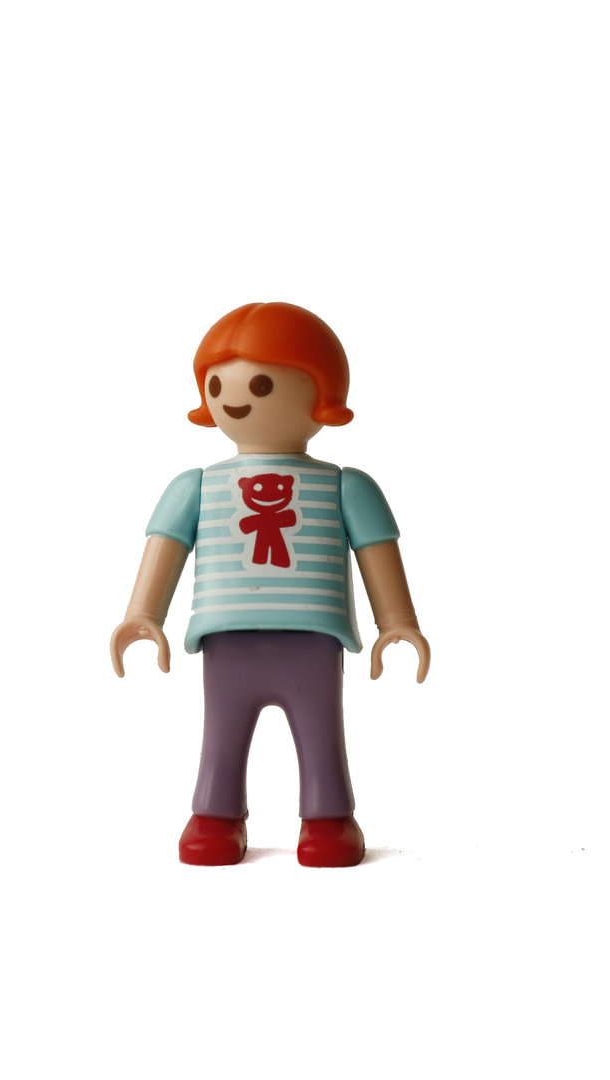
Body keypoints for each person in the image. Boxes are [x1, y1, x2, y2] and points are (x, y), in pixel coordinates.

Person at [111, 302, 429, 867]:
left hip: (313, 636)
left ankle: (328, 819)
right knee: (222, 732)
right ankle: (215, 815)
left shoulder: (345, 486)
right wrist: (143, 615)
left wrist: (398, 623)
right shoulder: (196, 486)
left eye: (262, 384)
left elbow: (377, 553)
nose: (234, 399)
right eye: (216, 384)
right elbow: (167, 548)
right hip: (226, 634)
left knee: (321, 731)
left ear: (322, 392)